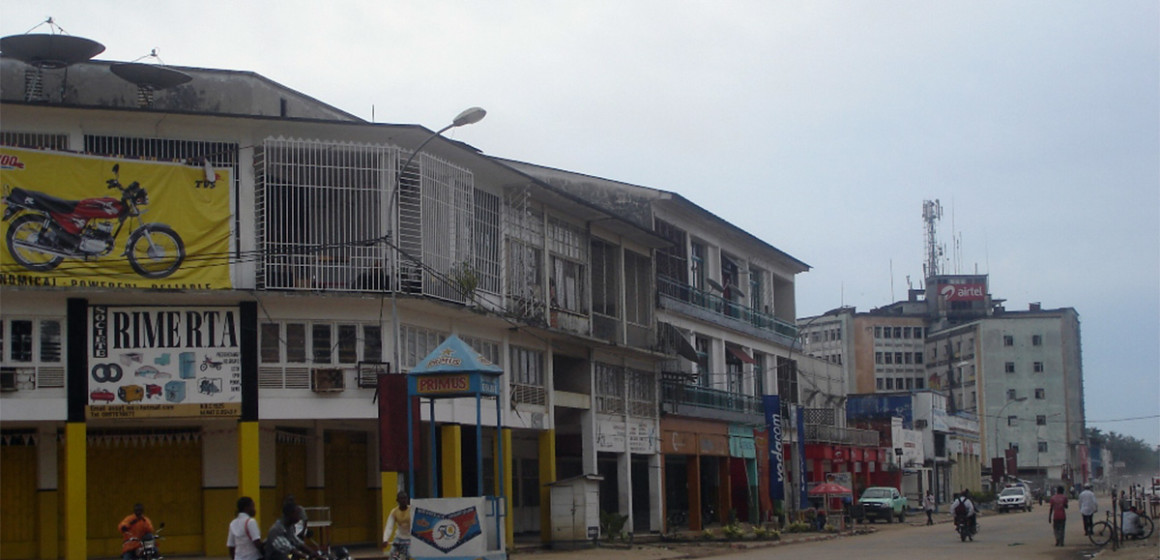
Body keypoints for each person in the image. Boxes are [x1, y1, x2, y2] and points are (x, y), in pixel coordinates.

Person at [382, 491, 412, 560]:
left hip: (409, 540)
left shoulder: (411, 510)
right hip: (398, 539)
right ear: (397, 500)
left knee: (403, 557)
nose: (404, 500)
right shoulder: (394, 512)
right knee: (393, 557)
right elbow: (389, 526)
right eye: (401, 498)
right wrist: (385, 539)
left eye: (405, 498)